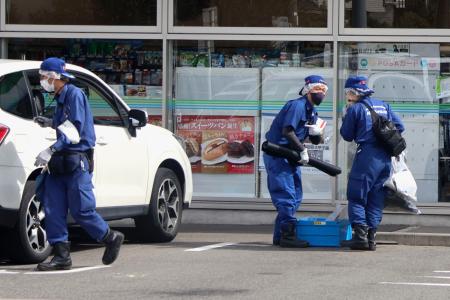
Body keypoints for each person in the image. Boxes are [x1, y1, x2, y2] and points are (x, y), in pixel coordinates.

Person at [33, 57, 124, 271]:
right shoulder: (59, 97)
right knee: (53, 207)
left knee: (82, 210)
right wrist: (50, 123)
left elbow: (73, 132)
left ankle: (110, 237)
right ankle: (61, 256)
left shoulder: (74, 95)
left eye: (44, 76)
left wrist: (51, 149)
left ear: (55, 77)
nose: (42, 80)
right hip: (61, 162)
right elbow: (65, 124)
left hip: (75, 160)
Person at [340, 75, 405, 251]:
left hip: (367, 156)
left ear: (353, 92)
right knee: (376, 197)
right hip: (385, 157)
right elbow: (400, 126)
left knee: (357, 195)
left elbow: (346, 135)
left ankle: (360, 237)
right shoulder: (384, 105)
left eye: (347, 92)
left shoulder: (355, 109)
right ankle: (371, 237)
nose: (347, 96)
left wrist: (346, 115)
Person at [264, 75, 328, 247]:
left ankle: (280, 236)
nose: (321, 93)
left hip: (292, 156)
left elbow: (315, 140)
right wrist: (302, 150)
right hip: (278, 154)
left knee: (296, 195)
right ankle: (288, 235)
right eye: (317, 89)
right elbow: (287, 131)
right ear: (308, 90)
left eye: (324, 90)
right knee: (286, 195)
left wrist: (318, 134)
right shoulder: (297, 106)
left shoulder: (312, 111)